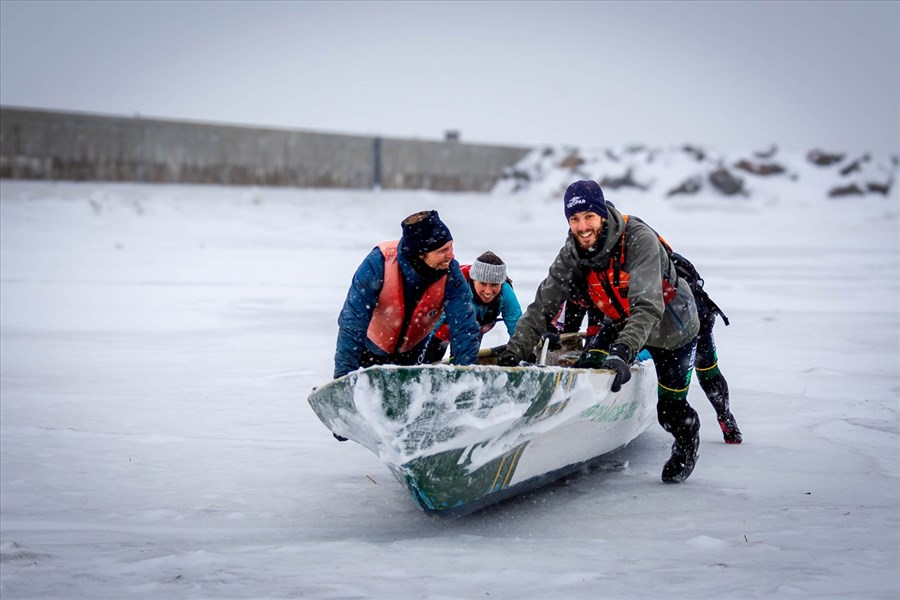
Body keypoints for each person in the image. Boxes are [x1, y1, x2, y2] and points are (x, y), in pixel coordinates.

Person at [497, 179, 703, 483]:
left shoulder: (638, 239)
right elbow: (543, 306)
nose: (582, 227)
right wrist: (515, 351)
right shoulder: (572, 252)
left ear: (602, 215)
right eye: (574, 219)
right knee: (587, 366)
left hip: (672, 330)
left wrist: (622, 351)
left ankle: (687, 442)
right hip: (621, 321)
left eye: (589, 217)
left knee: (670, 411)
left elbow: (647, 307)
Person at [554, 260, 743, 444]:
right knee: (705, 369)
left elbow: (608, 327)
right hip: (654, 320)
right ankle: (724, 417)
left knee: (706, 369)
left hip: (688, 317)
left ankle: (725, 417)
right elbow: (583, 328)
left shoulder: (629, 272)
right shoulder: (592, 280)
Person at [333, 210, 481, 380]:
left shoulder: (451, 273)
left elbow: (464, 327)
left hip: (412, 353)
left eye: (451, 247)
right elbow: (352, 323)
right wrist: (343, 378)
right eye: (442, 251)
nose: (451, 256)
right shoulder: (377, 264)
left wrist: (466, 378)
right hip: (370, 352)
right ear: (421, 254)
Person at [423, 251, 523, 362]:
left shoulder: (506, 292)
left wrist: (522, 353)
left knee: (467, 359)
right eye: (483, 284)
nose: (488, 291)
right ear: (473, 280)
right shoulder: (457, 288)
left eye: (494, 284)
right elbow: (430, 325)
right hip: (444, 328)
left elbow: (517, 327)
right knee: (429, 360)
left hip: (476, 328)